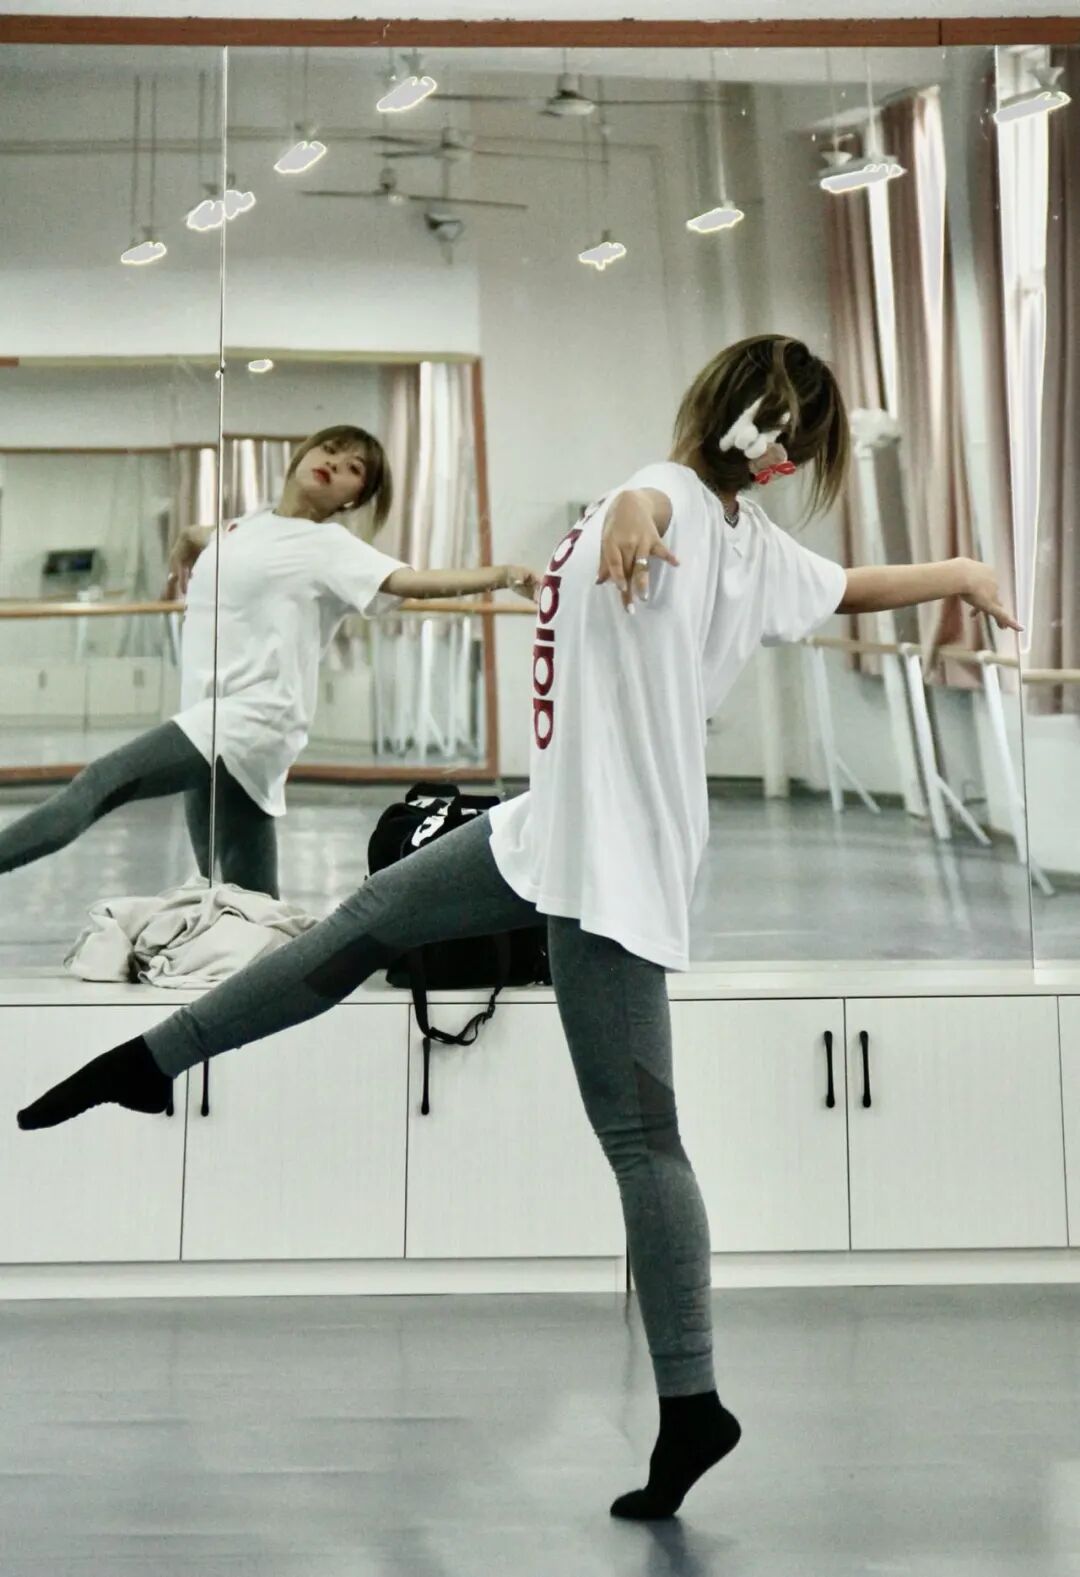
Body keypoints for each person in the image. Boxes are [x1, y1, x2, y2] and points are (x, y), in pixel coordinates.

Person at [16, 337, 1020, 1522]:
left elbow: (684, 518)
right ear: (773, 443)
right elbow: (828, 578)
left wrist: (645, 514)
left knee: (642, 1139)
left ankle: (693, 1400)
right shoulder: (725, 526)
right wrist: (960, 568)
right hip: (547, 824)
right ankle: (151, 1061)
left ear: (726, 415)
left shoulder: (683, 500)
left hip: (611, 861)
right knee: (360, 925)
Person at [0, 424, 537, 900]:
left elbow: (410, 582)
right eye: (330, 450)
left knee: (100, 783)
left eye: (354, 469)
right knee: (238, 891)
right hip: (210, 713)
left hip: (251, 718)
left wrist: (504, 574)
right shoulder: (248, 525)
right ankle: (281, 965)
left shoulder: (330, 546)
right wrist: (186, 543)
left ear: (354, 498)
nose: (335, 464)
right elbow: (212, 537)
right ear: (303, 454)